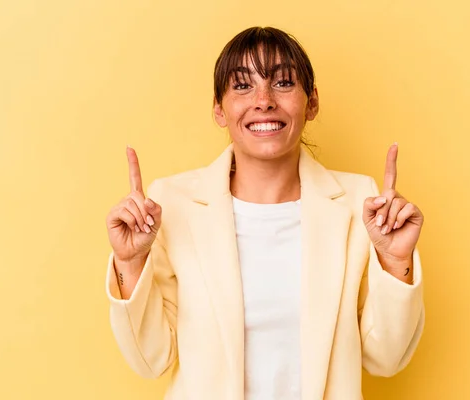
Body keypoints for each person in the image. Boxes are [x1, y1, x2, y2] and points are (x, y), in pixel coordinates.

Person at [105, 26, 425, 400]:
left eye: (283, 83)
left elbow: (385, 359)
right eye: (242, 86)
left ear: (313, 102)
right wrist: (129, 262)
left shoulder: (361, 203)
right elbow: (151, 360)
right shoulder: (170, 205)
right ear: (219, 109)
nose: (264, 100)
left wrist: (394, 261)